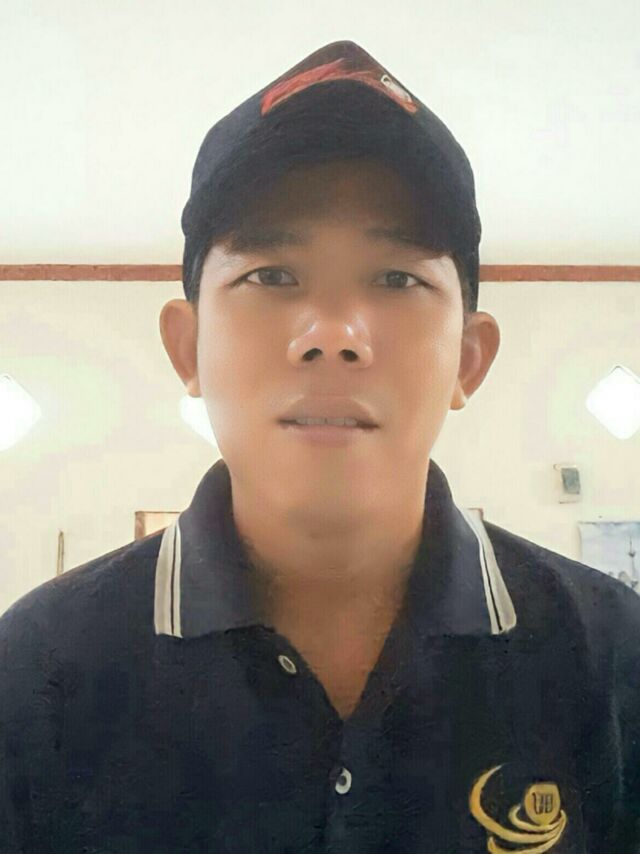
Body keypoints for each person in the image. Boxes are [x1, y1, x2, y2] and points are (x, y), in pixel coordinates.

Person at [1, 40, 639, 853]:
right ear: (188, 349)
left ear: (468, 359)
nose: (333, 334)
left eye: (397, 279)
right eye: (271, 276)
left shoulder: (611, 657)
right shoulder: (40, 669)